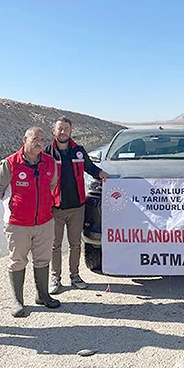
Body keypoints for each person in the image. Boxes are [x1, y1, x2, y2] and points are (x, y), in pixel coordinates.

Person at [0, 127, 60, 317]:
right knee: (17, 260)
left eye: (43, 140)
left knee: (43, 259)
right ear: (25, 139)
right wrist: (15, 205)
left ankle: (43, 295)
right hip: (17, 224)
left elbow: (52, 185)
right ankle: (17, 301)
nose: (39, 143)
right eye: (35, 138)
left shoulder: (50, 163)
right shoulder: (10, 163)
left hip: (44, 222)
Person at [44, 117, 108, 294]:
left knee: (75, 244)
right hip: (55, 208)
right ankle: (55, 278)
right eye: (60, 128)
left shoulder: (78, 151)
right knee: (55, 245)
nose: (63, 131)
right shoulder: (46, 153)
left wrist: (104, 175)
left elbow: (91, 168)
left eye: (66, 128)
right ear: (54, 131)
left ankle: (75, 276)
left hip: (77, 207)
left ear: (71, 131)